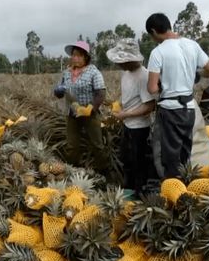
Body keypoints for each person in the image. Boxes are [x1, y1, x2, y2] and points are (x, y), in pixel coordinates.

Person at [145, 12, 209, 178]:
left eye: (151, 35)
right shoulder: (192, 45)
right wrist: (195, 76)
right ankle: (188, 185)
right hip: (189, 108)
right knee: (186, 152)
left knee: (170, 156)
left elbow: (151, 89)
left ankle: (174, 190)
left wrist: (160, 85)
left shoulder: (158, 52)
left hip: (170, 111)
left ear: (154, 31)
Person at [106, 39, 157, 195]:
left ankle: (139, 193)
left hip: (140, 128)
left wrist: (125, 114)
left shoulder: (144, 76)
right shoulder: (126, 73)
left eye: (121, 61)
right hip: (128, 125)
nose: (118, 64)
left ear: (130, 59)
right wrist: (117, 106)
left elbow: (150, 106)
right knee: (126, 160)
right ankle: (129, 189)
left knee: (138, 162)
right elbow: (128, 98)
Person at [53, 41, 110, 176]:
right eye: (74, 55)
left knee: (97, 145)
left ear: (86, 57)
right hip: (72, 114)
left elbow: (100, 93)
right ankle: (72, 171)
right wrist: (58, 91)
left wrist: (91, 108)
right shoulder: (66, 73)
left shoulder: (93, 72)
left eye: (79, 55)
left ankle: (104, 173)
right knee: (72, 145)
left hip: (90, 113)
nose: (75, 58)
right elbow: (59, 93)